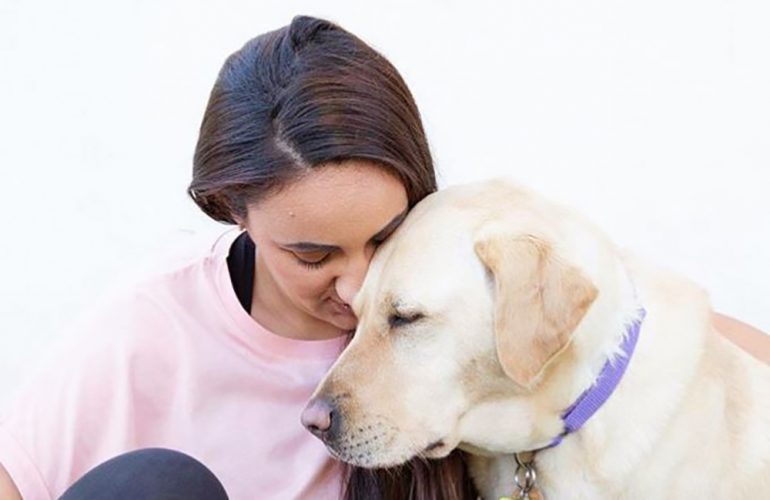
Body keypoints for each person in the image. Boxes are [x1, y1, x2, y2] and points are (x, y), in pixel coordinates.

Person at [0, 14, 767, 500]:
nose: (361, 281)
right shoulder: (145, 330)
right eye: (312, 254)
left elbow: (657, 331)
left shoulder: (458, 272)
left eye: (385, 236)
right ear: (233, 215)